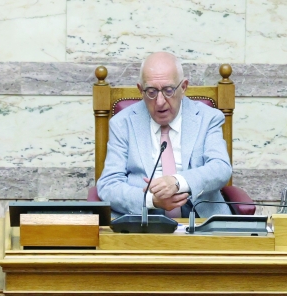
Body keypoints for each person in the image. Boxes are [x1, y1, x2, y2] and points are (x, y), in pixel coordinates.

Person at [96, 52, 231, 219]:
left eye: (168, 90)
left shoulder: (208, 118)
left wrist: (178, 182)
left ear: (183, 87)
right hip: (142, 223)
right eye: (151, 92)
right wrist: (151, 200)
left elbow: (221, 168)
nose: (160, 102)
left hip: (202, 221)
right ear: (140, 90)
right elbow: (108, 186)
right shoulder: (122, 123)